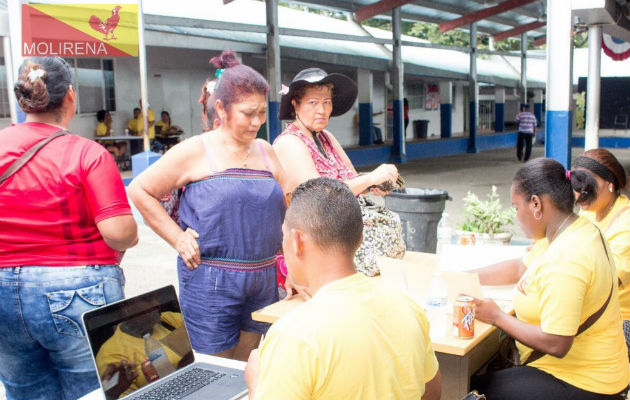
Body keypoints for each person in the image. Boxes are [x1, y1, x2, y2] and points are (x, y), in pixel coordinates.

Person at [128, 50, 288, 361]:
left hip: (263, 278)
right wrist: (178, 238)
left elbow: (289, 202)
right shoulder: (194, 151)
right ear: (221, 108)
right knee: (213, 366)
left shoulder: (267, 151)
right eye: (247, 113)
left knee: (249, 361)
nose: (257, 121)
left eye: (261, 112)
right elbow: (140, 190)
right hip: (211, 279)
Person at [0, 57, 138, 400]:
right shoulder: (88, 154)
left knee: (23, 391)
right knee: (95, 392)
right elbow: (118, 232)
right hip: (76, 291)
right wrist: (131, 234)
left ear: (22, 100)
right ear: (71, 96)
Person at [244, 177, 441, 400]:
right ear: (359, 238)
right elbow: (432, 394)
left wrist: (256, 383)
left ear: (297, 241)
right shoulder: (408, 308)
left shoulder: (293, 335)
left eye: (284, 235)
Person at [470, 158, 629, 400]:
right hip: (585, 370)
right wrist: (467, 276)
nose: (516, 216)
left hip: (586, 382)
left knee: (466, 386)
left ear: (535, 204)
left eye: (516, 207)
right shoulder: (570, 229)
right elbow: (518, 267)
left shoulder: (568, 256)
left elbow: (557, 343)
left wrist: (497, 316)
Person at [273, 67, 403, 276]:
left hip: (342, 235)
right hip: (318, 244)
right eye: (313, 103)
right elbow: (318, 196)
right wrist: (370, 177)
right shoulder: (290, 142)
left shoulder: (326, 138)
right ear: (295, 105)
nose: (322, 110)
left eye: (327, 102)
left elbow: (351, 180)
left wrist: (372, 185)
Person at [571, 149, 630, 358]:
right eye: (576, 185)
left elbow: (607, 280)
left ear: (610, 183)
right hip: (591, 312)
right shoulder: (589, 211)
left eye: (587, 185)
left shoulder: (625, 223)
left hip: (620, 322)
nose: (580, 195)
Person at [96, 306, 191, 399]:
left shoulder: (166, 319)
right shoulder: (110, 353)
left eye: (155, 297)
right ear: (126, 309)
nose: (156, 303)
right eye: (147, 299)